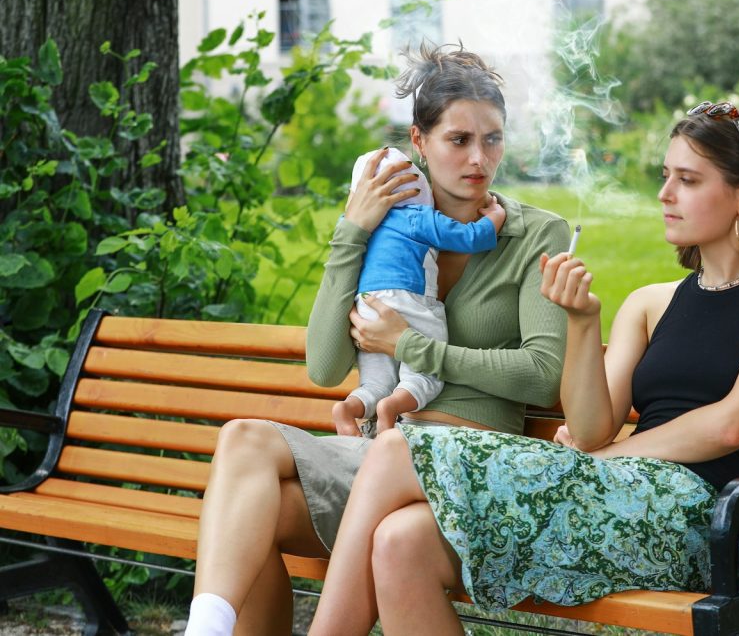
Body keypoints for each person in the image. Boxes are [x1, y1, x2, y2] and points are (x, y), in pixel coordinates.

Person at [303, 101, 739, 635]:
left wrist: (612, 456)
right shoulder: (651, 302)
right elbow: (588, 431)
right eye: (666, 176)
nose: (665, 194)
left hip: (693, 521)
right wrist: (583, 322)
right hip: (612, 498)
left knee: (398, 447)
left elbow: (732, 425)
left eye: (689, 180)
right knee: (400, 540)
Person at [183, 44, 570, 636]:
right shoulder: (390, 228)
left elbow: (542, 373)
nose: (479, 158)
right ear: (420, 142)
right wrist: (353, 232)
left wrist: (411, 347)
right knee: (245, 469)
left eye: (492, 139)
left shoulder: (533, 232)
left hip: (467, 465)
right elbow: (324, 364)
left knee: (246, 506)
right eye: (458, 140)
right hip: (376, 457)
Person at [332, 146, 507, 436]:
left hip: (366, 307)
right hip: (407, 299)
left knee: (375, 382)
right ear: (416, 185)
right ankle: (393, 408)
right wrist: (495, 218)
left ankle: (348, 409)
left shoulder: (359, 225)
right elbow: (469, 237)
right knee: (424, 374)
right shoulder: (415, 217)